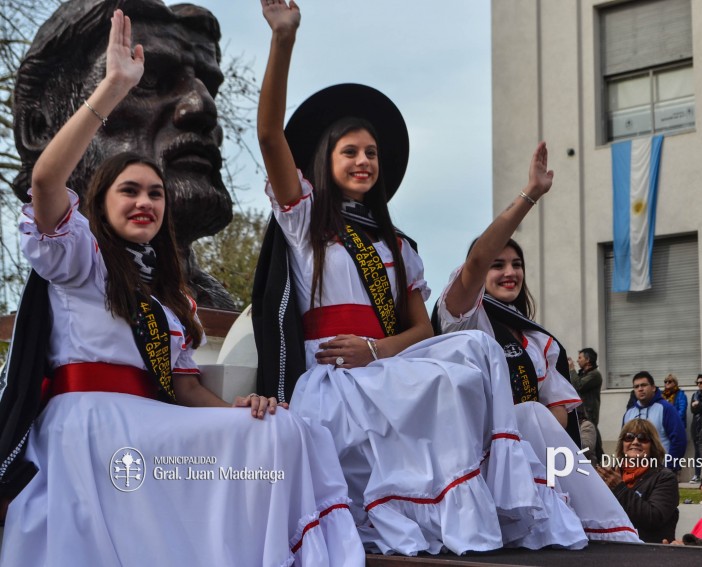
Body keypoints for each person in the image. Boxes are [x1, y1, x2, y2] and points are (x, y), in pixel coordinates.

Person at [0, 10, 362, 567]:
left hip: (152, 427)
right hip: (91, 432)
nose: (145, 201)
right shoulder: (77, 258)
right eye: (130, 191)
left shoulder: (165, 296)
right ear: (99, 201)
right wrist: (111, 90)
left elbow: (188, 392)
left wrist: (241, 410)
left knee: (282, 430)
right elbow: (48, 181)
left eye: (155, 193)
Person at [256, 0, 591, 555]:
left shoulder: (397, 245)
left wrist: (376, 348)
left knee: (469, 357)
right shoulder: (305, 219)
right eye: (350, 152)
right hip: (330, 376)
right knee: (446, 378)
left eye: (371, 152)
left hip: (378, 363)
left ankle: (481, 501)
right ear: (325, 159)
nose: (364, 160)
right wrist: (283, 39)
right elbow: (270, 136)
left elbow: (422, 332)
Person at [434, 148, 639, 542]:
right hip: (474, 456)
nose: (509, 272)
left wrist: (528, 423)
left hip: (531, 460)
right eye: (498, 264)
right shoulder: (463, 315)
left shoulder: (539, 339)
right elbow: (475, 263)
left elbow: (559, 412)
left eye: (517, 264)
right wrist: (529, 194)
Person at [12, 0, 235, 308]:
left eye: (209, 89)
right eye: (149, 82)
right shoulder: (74, 264)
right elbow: (46, 183)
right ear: (40, 128)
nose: (202, 107)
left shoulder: (200, 309)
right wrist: (115, 86)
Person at [597, 419, 680, 543]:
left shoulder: (665, 477)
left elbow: (653, 518)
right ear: (622, 444)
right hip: (610, 547)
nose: (635, 442)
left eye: (643, 438)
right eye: (629, 437)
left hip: (649, 552)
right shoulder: (611, 474)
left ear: (653, 445)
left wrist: (619, 488)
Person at [622, 371, 687, 467]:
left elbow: (679, 440)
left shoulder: (666, 409)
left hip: (660, 471)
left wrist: (669, 467)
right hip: (634, 471)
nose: (640, 389)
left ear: (653, 388)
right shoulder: (629, 413)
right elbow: (624, 443)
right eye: (636, 387)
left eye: (644, 385)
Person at [568, 348, 602, 426]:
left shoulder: (595, 375)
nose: (577, 360)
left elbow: (578, 385)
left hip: (589, 418)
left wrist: (572, 369)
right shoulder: (583, 374)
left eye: (580, 358)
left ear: (587, 359)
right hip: (580, 417)